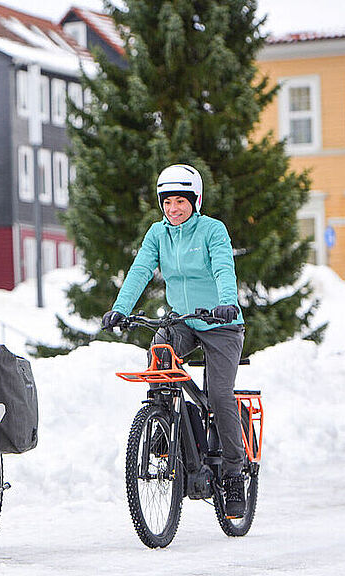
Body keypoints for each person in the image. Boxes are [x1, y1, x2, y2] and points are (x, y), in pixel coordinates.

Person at [101, 163, 247, 518]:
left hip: (221, 323)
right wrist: (120, 309)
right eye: (167, 202)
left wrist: (228, 302)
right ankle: (163, 421)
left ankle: (232, 472)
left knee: (220, 394)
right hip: (182, 321)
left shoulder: (212, 230)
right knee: (160, 350)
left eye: (180, 201)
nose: (173, 209)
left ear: (195, 201)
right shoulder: (157, 234)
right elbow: (139, 270)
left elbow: (223, 268)